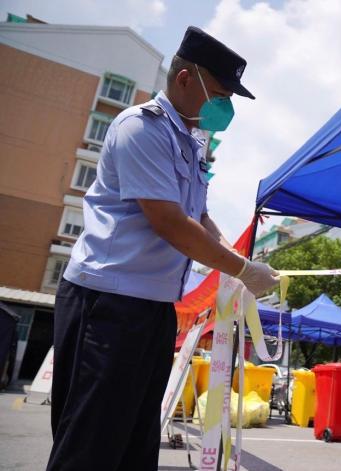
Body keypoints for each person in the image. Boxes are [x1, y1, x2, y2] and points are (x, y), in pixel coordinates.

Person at [47, 26, 278, 471]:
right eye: (220, 93)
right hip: (107, 304)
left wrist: (232, 263)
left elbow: (199, 215)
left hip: (151, 309)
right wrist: (245, 269)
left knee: (134, 443)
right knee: (91, 445)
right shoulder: (141, 128)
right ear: (185, 79)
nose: (225, 106)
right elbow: (169, 222)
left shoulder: (188, 143)